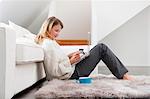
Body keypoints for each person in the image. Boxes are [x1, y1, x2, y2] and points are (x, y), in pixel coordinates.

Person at [35, 16, 133, 81]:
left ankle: (123, 74)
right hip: (71, 75)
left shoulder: (50, 42)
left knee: (99, 48)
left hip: (71, 70)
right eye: (56, 31)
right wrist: (71, 61)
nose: (58, 34)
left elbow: (58, 60)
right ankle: (123, 75)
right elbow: (53, 72)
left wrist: (70, 55)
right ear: (48, 28)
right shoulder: (48, 45)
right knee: (101, 48)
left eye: (59, 31)